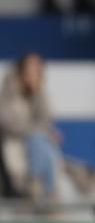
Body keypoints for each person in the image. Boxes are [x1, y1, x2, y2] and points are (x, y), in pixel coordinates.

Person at [0, 53, 60, 199]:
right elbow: (7, 122)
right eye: (29, 70)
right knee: (38, 139)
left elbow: (46, 120)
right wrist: (38, 131)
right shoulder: (8, 92)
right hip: (12, 143)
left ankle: (43, 191)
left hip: (36, 145)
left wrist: (37, 93)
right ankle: (41, 191)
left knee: (44, 146)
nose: (32, 74)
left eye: (36, 71)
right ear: (20, 71)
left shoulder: (39, 92)